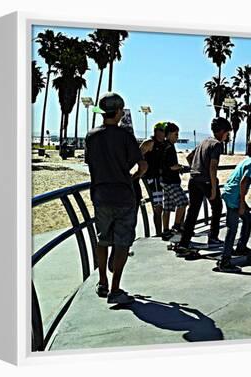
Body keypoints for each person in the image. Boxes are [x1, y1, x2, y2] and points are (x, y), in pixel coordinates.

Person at [85, 92, 147, 304]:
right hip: (123, 196)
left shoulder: (91, 136)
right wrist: (132, 177)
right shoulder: (125, 136)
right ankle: (115, 289)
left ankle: (102, 281)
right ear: (119, 111)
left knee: (102, 240)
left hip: (100, 195)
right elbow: (142, 166)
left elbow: (90, 163)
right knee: (122, 243)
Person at [175, 117, 232, 255]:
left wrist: (195, 168)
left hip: (194, 179)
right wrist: (213, 188)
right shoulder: (217, 144)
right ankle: (213, 237)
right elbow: (213, 167)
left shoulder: (204, 141)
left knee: (193, 211)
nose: (227, 136)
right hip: (206, 181)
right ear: (222, 132)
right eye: (227, 133)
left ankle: (184, 242)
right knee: (217, 207)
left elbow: (189, 157)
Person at [218, 138, 251, 272]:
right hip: (235, 198)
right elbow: (244, 182)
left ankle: (241, 247)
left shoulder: (244, 161)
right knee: (232, 228)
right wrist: (242, 203)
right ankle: (225, 261)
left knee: (247, 218)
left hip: (228, 193)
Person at [160, 122, 189, 240]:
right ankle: (176, 226)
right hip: (170, 181)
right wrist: (183, 167)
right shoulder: (170, 147)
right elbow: (172, 166)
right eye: (176, 134)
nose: (177, 137)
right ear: (169, 134)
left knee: (167, 207)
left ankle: (165, 231)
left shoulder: (163, 145)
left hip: (164, 180)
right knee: (183, 202)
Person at [140, 123, 167, 237]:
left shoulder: (164, 144)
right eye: (161, 130)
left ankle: (161, 231)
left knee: (160, 206)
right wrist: (142, 169)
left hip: (160, 178)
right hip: (152, 178)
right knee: (157, 206)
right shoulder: (150, 142)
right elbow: (137, 155)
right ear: (156, 131)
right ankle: (158, 232)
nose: (163, 133)